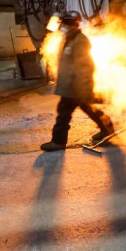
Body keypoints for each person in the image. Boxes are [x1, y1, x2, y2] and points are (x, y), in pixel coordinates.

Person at [41, 11, 114, 152]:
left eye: (64, 23)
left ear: (70, 24)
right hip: (71, 85)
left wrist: (85, 88)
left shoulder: (80, 41)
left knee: (63, 113)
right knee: (89, 109)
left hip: (75, 87)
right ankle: (107, 127)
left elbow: (86, 67)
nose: (61, 25)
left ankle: (58, 142)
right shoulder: (70, 38)